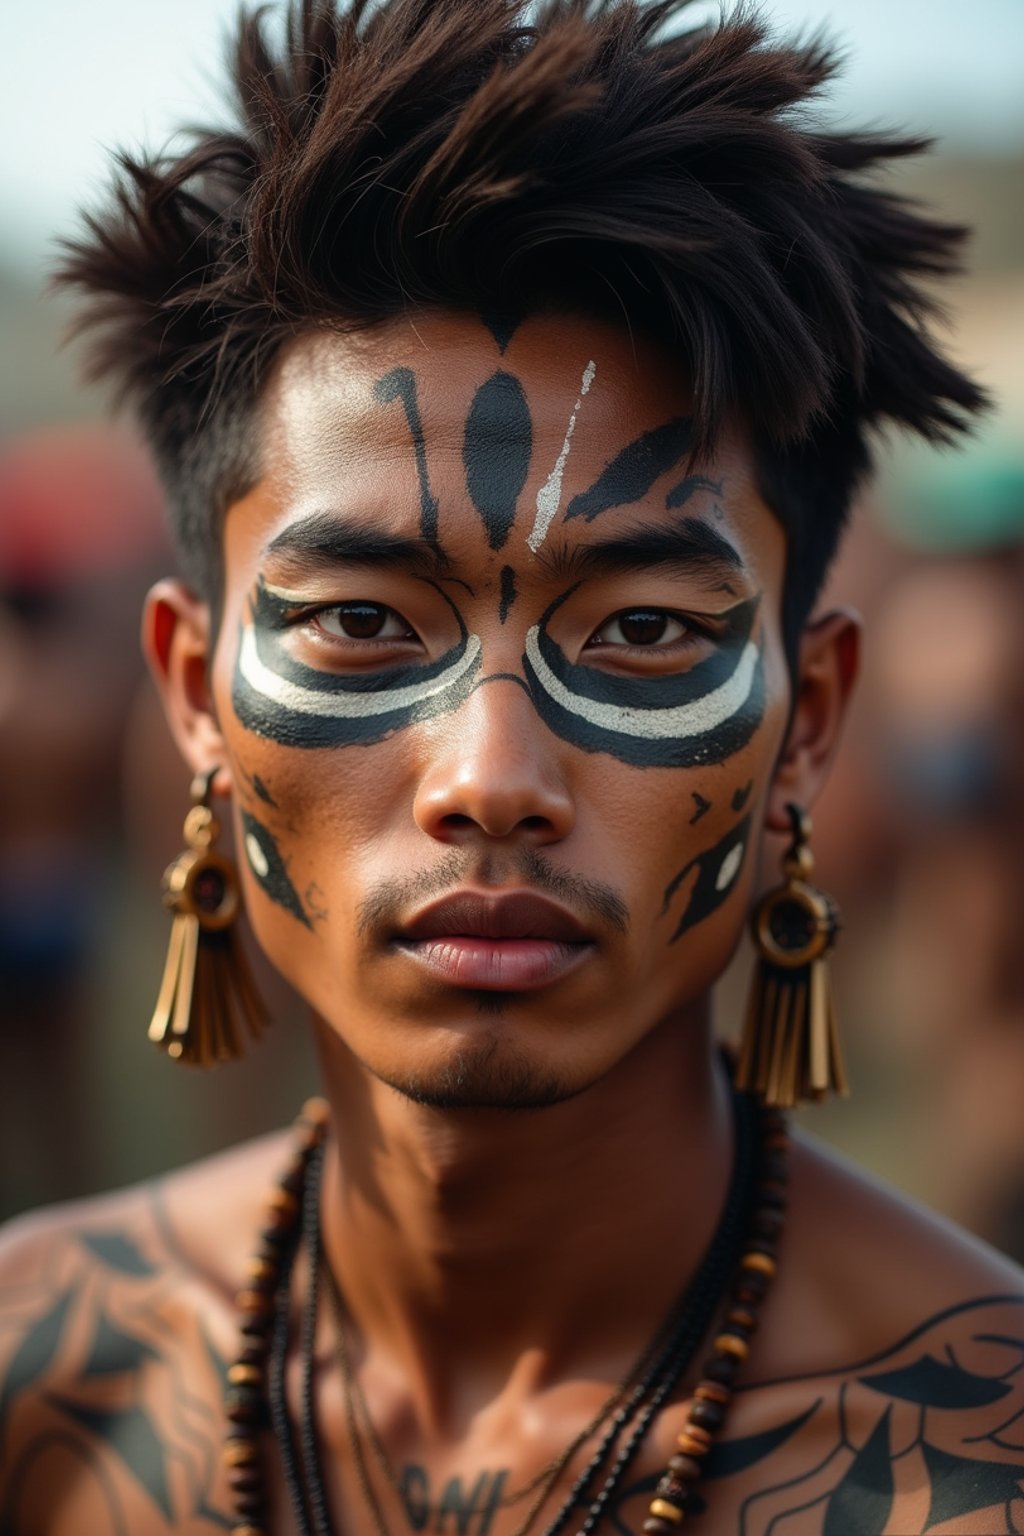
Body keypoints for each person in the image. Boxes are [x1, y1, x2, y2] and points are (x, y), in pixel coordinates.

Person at [2, 1, 1022, 1532]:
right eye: (356, 621)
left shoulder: (976, 1466)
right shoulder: (39, 1378)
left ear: (807, 721)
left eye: (646, 635)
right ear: (196, 694)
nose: (491, 776)